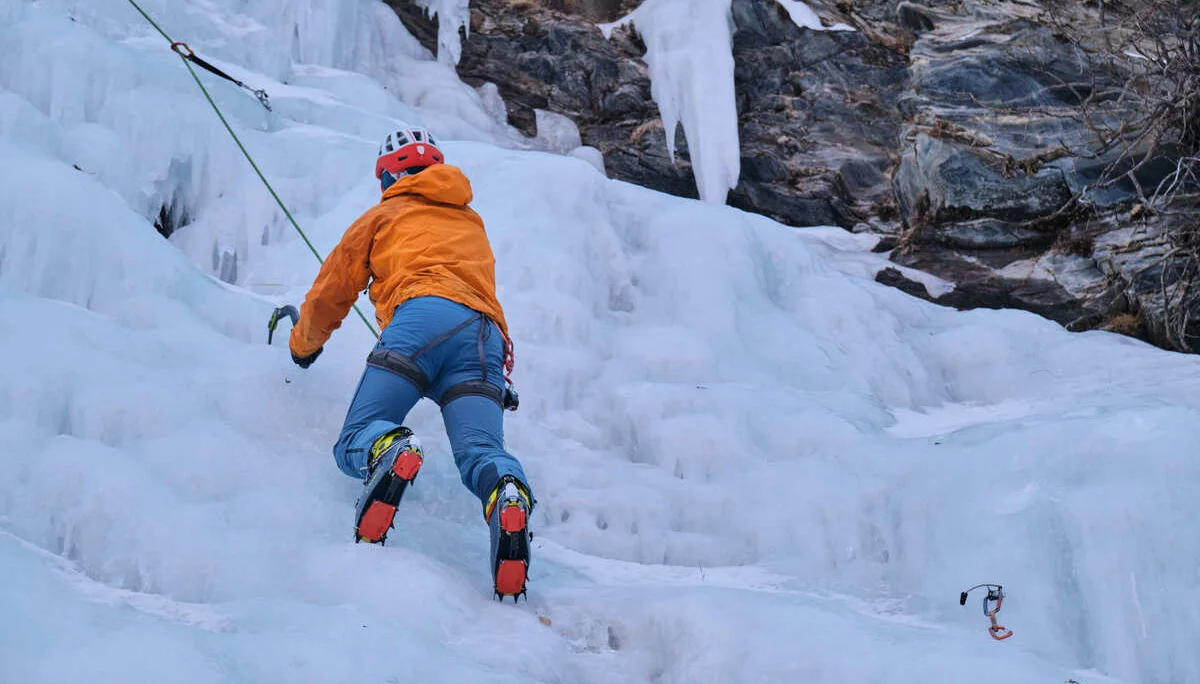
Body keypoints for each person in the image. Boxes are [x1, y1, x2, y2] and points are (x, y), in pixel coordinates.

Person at [288, 126, 534, 599]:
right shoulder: (470, 221)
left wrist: (303, 347)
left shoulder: (383, 215)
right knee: (481, 453)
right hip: (484, 339)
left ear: (387, 178)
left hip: (421, 318)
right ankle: (507, 492)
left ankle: (389, 449)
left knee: (356, 440)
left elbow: (329, 294)